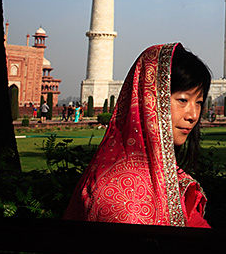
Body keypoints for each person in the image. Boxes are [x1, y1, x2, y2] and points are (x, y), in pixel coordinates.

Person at [64, 43, 212, 227]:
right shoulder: (122, 196)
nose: (193, 116)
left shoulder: (165, 177)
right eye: (183, 100)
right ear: (150, 98)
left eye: (198, 103)